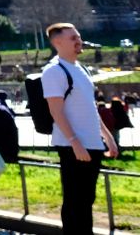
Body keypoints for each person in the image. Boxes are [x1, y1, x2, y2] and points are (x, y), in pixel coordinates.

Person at [42, 23, 119, 235]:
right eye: (73, 38)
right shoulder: (54, 71)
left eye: (78, 36)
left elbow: (90, 108)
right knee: (75, 202)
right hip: (72, 145)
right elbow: (56, 111)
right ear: (57, 42)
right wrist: (74, 142)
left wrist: (107, 137)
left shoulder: (81, 69)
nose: (79, 41)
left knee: (86, 200)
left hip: (91, 144)